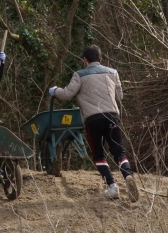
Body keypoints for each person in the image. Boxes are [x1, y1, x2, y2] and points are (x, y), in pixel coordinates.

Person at [49, 45, 139, 201]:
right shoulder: (113, 72)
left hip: (93, 119)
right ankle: (128, 176)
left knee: (98, 154)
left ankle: (112, 187)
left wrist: (55, 90)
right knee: (119, 152)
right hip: (112, 116)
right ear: (101, 59)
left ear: (85, 60)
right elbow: (120, 96)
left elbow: (67, 94)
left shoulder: (79, 75)